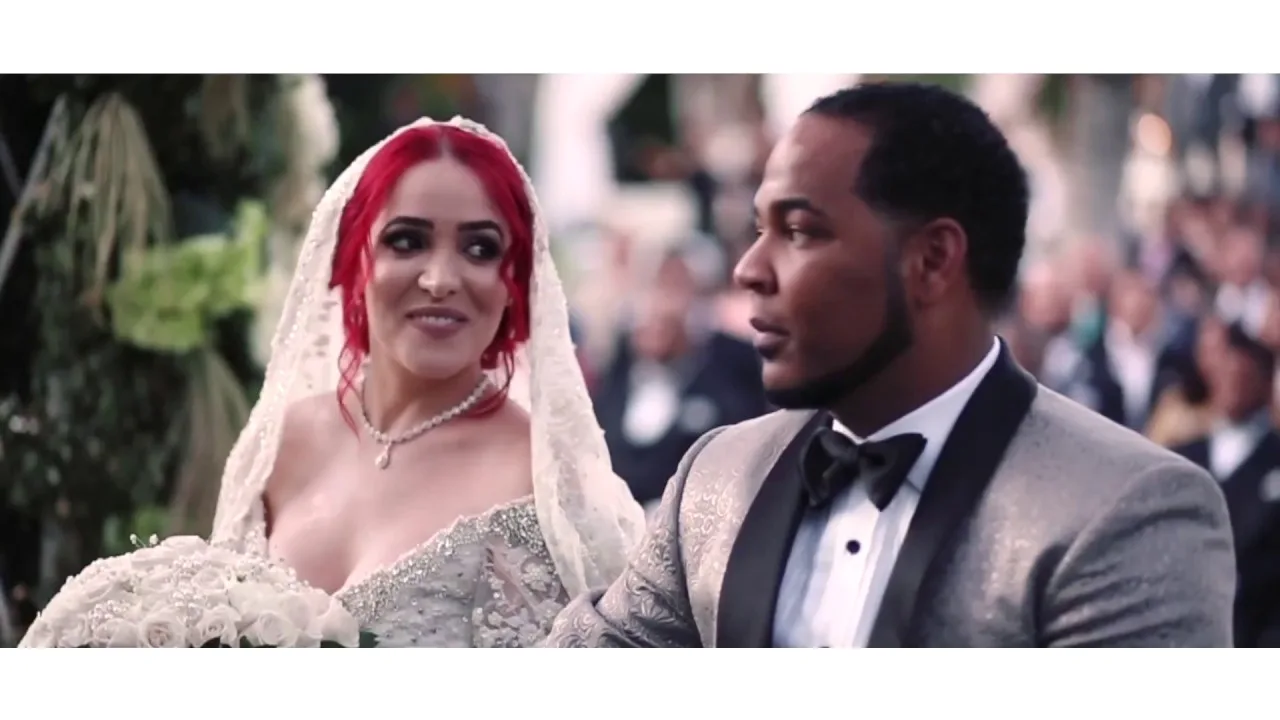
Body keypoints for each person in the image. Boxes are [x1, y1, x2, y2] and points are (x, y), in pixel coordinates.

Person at [544, 82, 1236, 648]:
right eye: (758, 229)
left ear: (932, 261)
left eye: (798, 231)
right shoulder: (717, 476)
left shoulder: (1125, 510)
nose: (749, 269)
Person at [208, 117, 645, 647]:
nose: (440, 280)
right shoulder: (283, 440)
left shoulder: (542, 481)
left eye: (479, 249)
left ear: (514, 280)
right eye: (407, 241)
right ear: (355, 258)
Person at [1171, 320, 1280, 646]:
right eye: (1223, 376)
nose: (1230, 387)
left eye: (1242, 377)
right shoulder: (1182, 457)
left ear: (1265, 384)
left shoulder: (1274, 457)